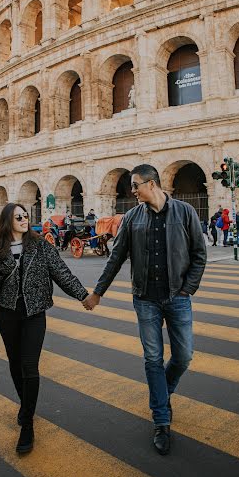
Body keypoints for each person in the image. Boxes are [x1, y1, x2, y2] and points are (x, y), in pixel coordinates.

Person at [82, 164, 206, 456]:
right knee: (152, 358)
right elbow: (116, 258)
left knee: (184, 355)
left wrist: (189, 287)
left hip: (178, 297)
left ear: (152, 184)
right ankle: (161, 420)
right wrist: (97, 292)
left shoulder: (185, 212)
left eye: (136, 185)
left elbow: (200, 254)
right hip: (145, 299)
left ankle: (163, 392)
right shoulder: (132, 218)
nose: (132, 190)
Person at [0, 203, 89, 455]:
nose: (24, 219)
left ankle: (27, 423)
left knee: (29, 367)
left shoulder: (40, 245)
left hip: (34, 314)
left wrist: (83, 295)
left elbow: (62, 273)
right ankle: (25, 405)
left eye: (26, 216)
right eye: (18, 216)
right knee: (15, 364)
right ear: (8, 221)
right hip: (7, 315)